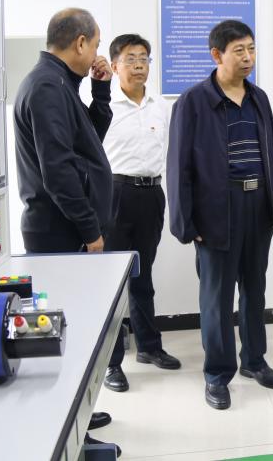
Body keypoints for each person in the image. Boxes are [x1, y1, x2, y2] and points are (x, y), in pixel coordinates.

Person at [166, 20, 273, 410]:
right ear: (217, 54)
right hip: (217, 209)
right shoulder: (193, 102)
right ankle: (217, 375)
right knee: (217, 297)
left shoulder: (259, 98)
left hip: (258, 205)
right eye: (239, 50)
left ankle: (254, 360)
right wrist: (186, 222)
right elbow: (178, 167)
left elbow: (271, 154)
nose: (248, 57)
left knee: (254, 288)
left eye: (251, 49)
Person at [12, 7, 119, 454]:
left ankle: (79, 416)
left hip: (64, 229)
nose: (96, 53)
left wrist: (100, 91)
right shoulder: (47, 87)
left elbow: (86, 144)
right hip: (61, 233)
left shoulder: (57, 84)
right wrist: (91, 230)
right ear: (80, 43)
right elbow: (58, 173)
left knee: (75, 330)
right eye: (95, 45)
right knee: (64, 333)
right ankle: (71, 436)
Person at [102, 34, 181, 394]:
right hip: (115, 194)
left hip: (152, 195)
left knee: (143, 275)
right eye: (130, 59)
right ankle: (111, 362)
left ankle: (149, 346)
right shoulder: (104, 106)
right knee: (113, 282)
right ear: (114, 65)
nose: (138, 66)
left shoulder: (160, 106)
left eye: (144, 59)